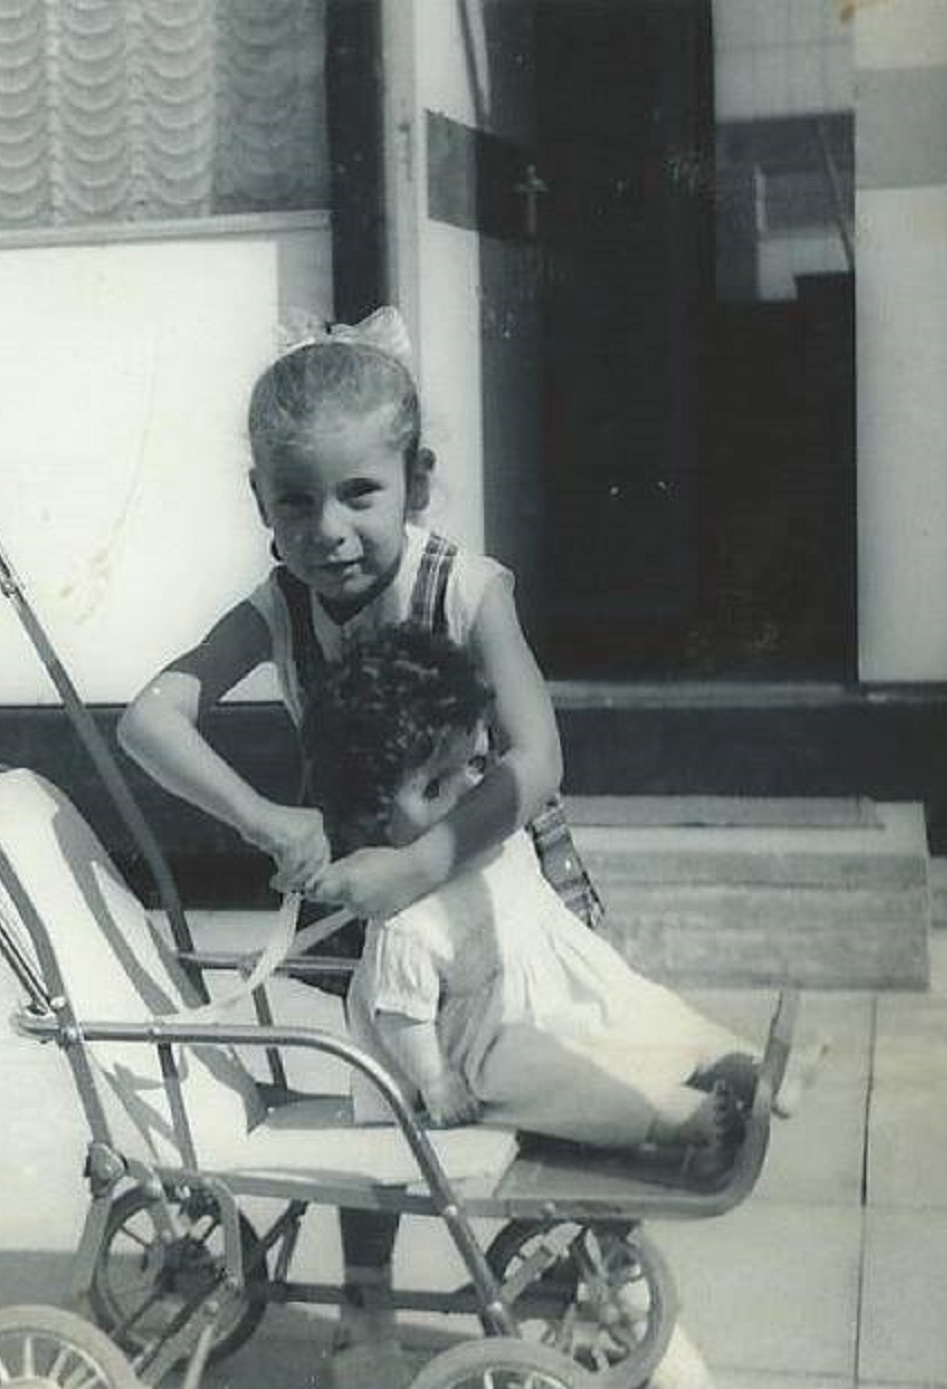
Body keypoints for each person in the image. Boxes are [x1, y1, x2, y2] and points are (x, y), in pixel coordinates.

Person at [117, 306, 580, 1385]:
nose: (326, 528)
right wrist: (269, 819)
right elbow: (149, 718)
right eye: (294, 500)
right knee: (377, 1092)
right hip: (358, 895)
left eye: (357, 494)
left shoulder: (466, 589)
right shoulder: (280, 605)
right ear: (259, 504)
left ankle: (545, 1266)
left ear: (414, 484)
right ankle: (363, 1310)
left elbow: (539, 757)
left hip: (480, 871)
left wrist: (424, 865)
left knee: (529, 1066)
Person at [302, 622, 804, 1168]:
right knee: (562, 1079)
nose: (473, 791)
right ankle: (675, 1118)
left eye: (477, 764)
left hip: (566, 989)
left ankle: (746, 1066)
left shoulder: (494, 839)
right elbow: (401, 1015)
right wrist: (436, 1080)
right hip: (486, 1042)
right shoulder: (406, 922)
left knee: (646, 1010)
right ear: (373, 815)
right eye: (434, 786)